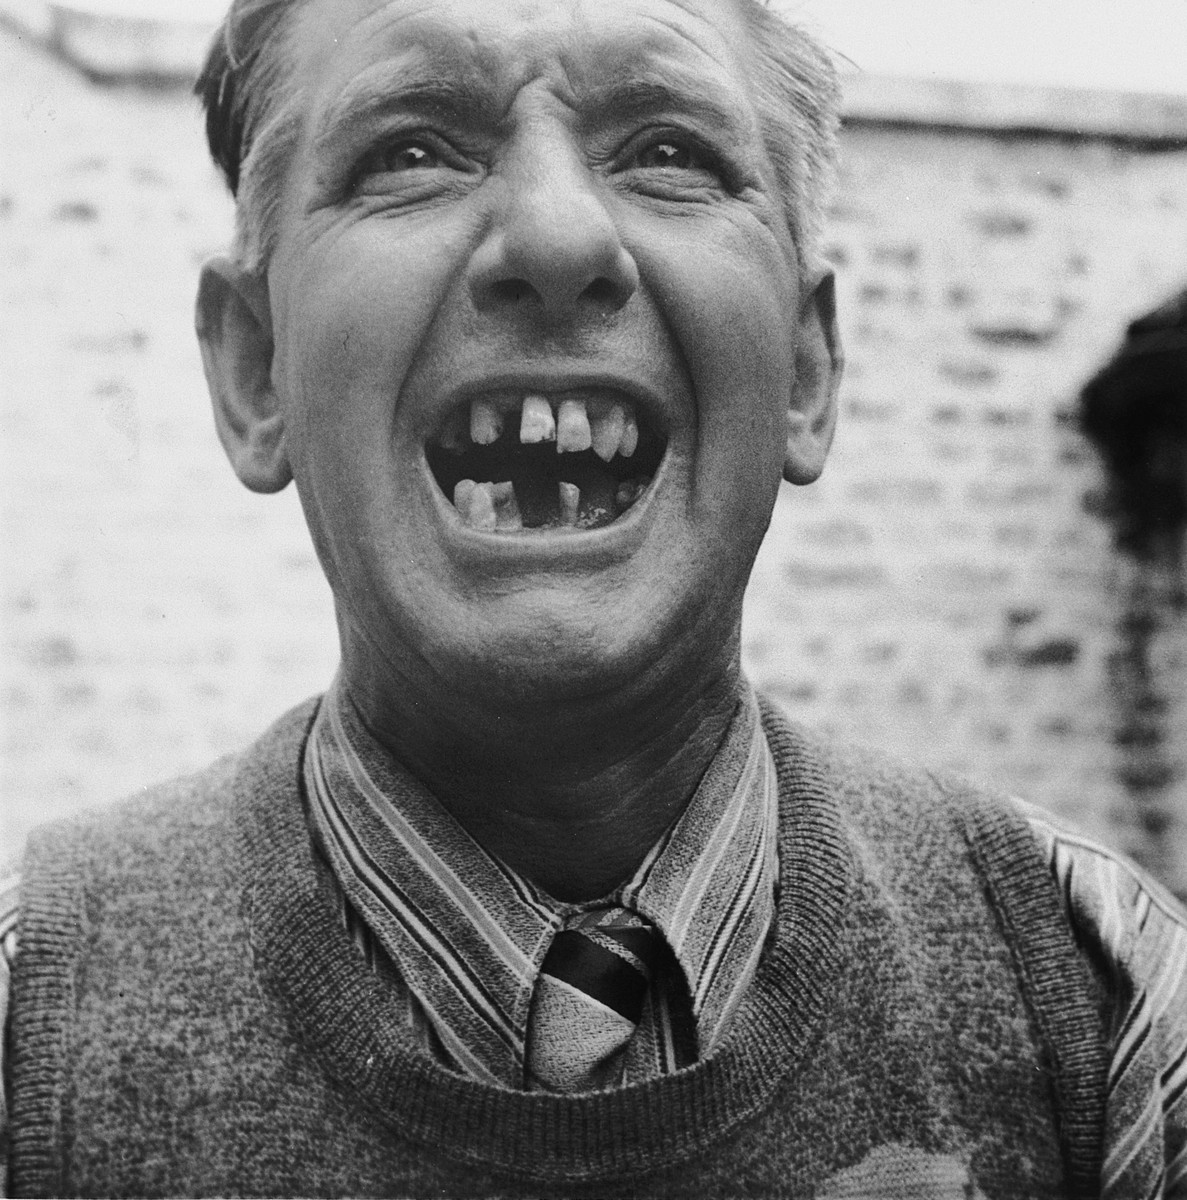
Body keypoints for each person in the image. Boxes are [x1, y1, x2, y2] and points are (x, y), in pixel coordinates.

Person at [2, 0, 1185, 1194]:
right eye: (409, 151)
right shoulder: (25, 1030)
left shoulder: (1110, 1006)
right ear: (256, 371)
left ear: (805, 373)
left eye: (669, 152)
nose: (557, 235)